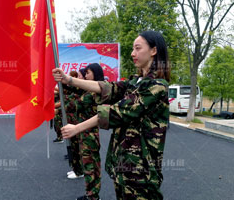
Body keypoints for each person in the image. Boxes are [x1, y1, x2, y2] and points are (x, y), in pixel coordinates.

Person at [53, 31, 170, 200]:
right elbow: (108, 88)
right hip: (125, 166)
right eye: (132, 49)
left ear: (153, 51)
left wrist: (77, 128)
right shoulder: (135, 82)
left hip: (141, 171)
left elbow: (117, 111)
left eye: (138, 48)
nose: (132, 53)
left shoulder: (156, 86)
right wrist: (69, 80)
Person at [74, 63, 104, 200]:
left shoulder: (93, 92)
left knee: (90, 166)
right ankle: (91, 194)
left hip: (89, 135)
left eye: (88, 73)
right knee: (91, 165)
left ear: (95, 74)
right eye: (84, 73)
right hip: (86, 134)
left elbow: (75, 104)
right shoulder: (89, 91)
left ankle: (92, 196)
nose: (85, 76)